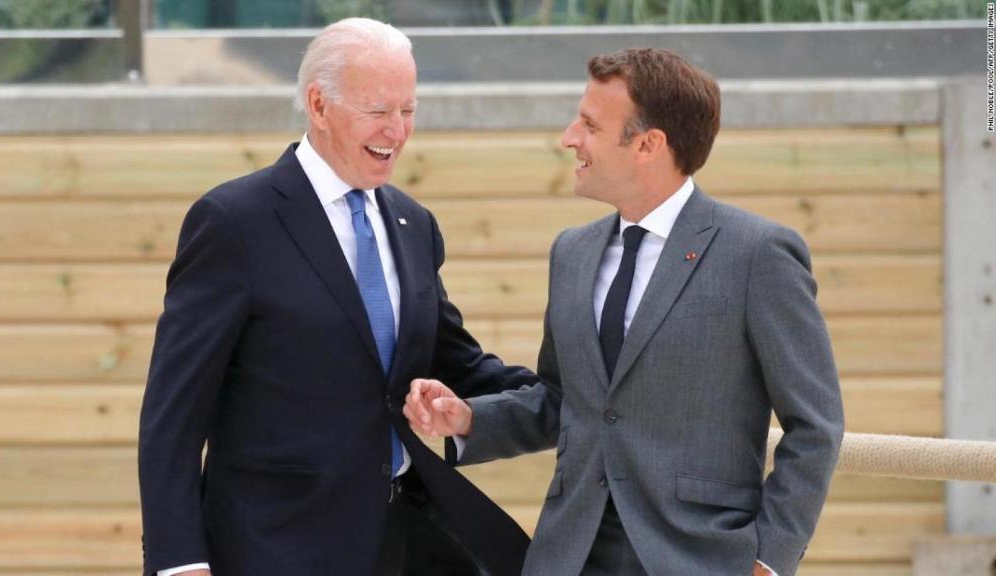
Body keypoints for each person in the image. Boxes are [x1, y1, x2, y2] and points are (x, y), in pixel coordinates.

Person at [404, 48, 844, 576]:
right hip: (569, 554)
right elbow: (565, 400)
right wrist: (471, 418)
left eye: (589, 125)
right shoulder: (572, 252)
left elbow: (815, 426)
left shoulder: (757, 254)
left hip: (699, 557)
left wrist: (769, 558)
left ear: (648, 144)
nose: (570, 137)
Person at [138, 17, 535, 576]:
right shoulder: (234, 222)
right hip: (273, 549)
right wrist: (179, 562)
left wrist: (580, 395)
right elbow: (172, 416)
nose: (397, 132)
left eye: (408, 111)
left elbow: (458, 364)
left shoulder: (413, 223)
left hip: (402, 542)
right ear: (319, 106)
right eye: (379, 111)